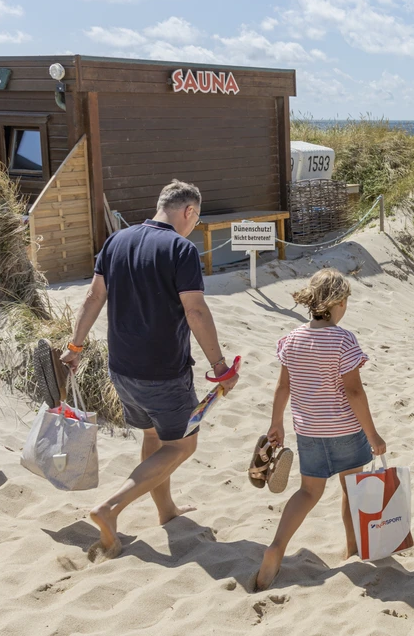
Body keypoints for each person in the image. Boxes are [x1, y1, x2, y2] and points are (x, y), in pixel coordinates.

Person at [62, 180, 239, 559]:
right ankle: (110, 508)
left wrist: (75, 346)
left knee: (153, 437)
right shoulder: (181, 248)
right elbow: (195, 311)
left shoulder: (116, 241)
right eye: (196, 218)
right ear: (188, 211)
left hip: (121, 369)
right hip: (164, 372)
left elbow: (93, 296)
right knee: (182, 445)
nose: (194, 225)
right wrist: (220, 367)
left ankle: (166, 510)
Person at [255, 268, 386, 590]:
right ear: (339, 303)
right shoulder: (343, 340)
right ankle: (352, 549)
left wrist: (276, 422)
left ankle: (276, 548)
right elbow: (354, 392)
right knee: (351, 489)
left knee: (308, 492)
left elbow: (282, 387)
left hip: (309, 432)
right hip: (345, 430)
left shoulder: (292, 339)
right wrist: (372, 434)